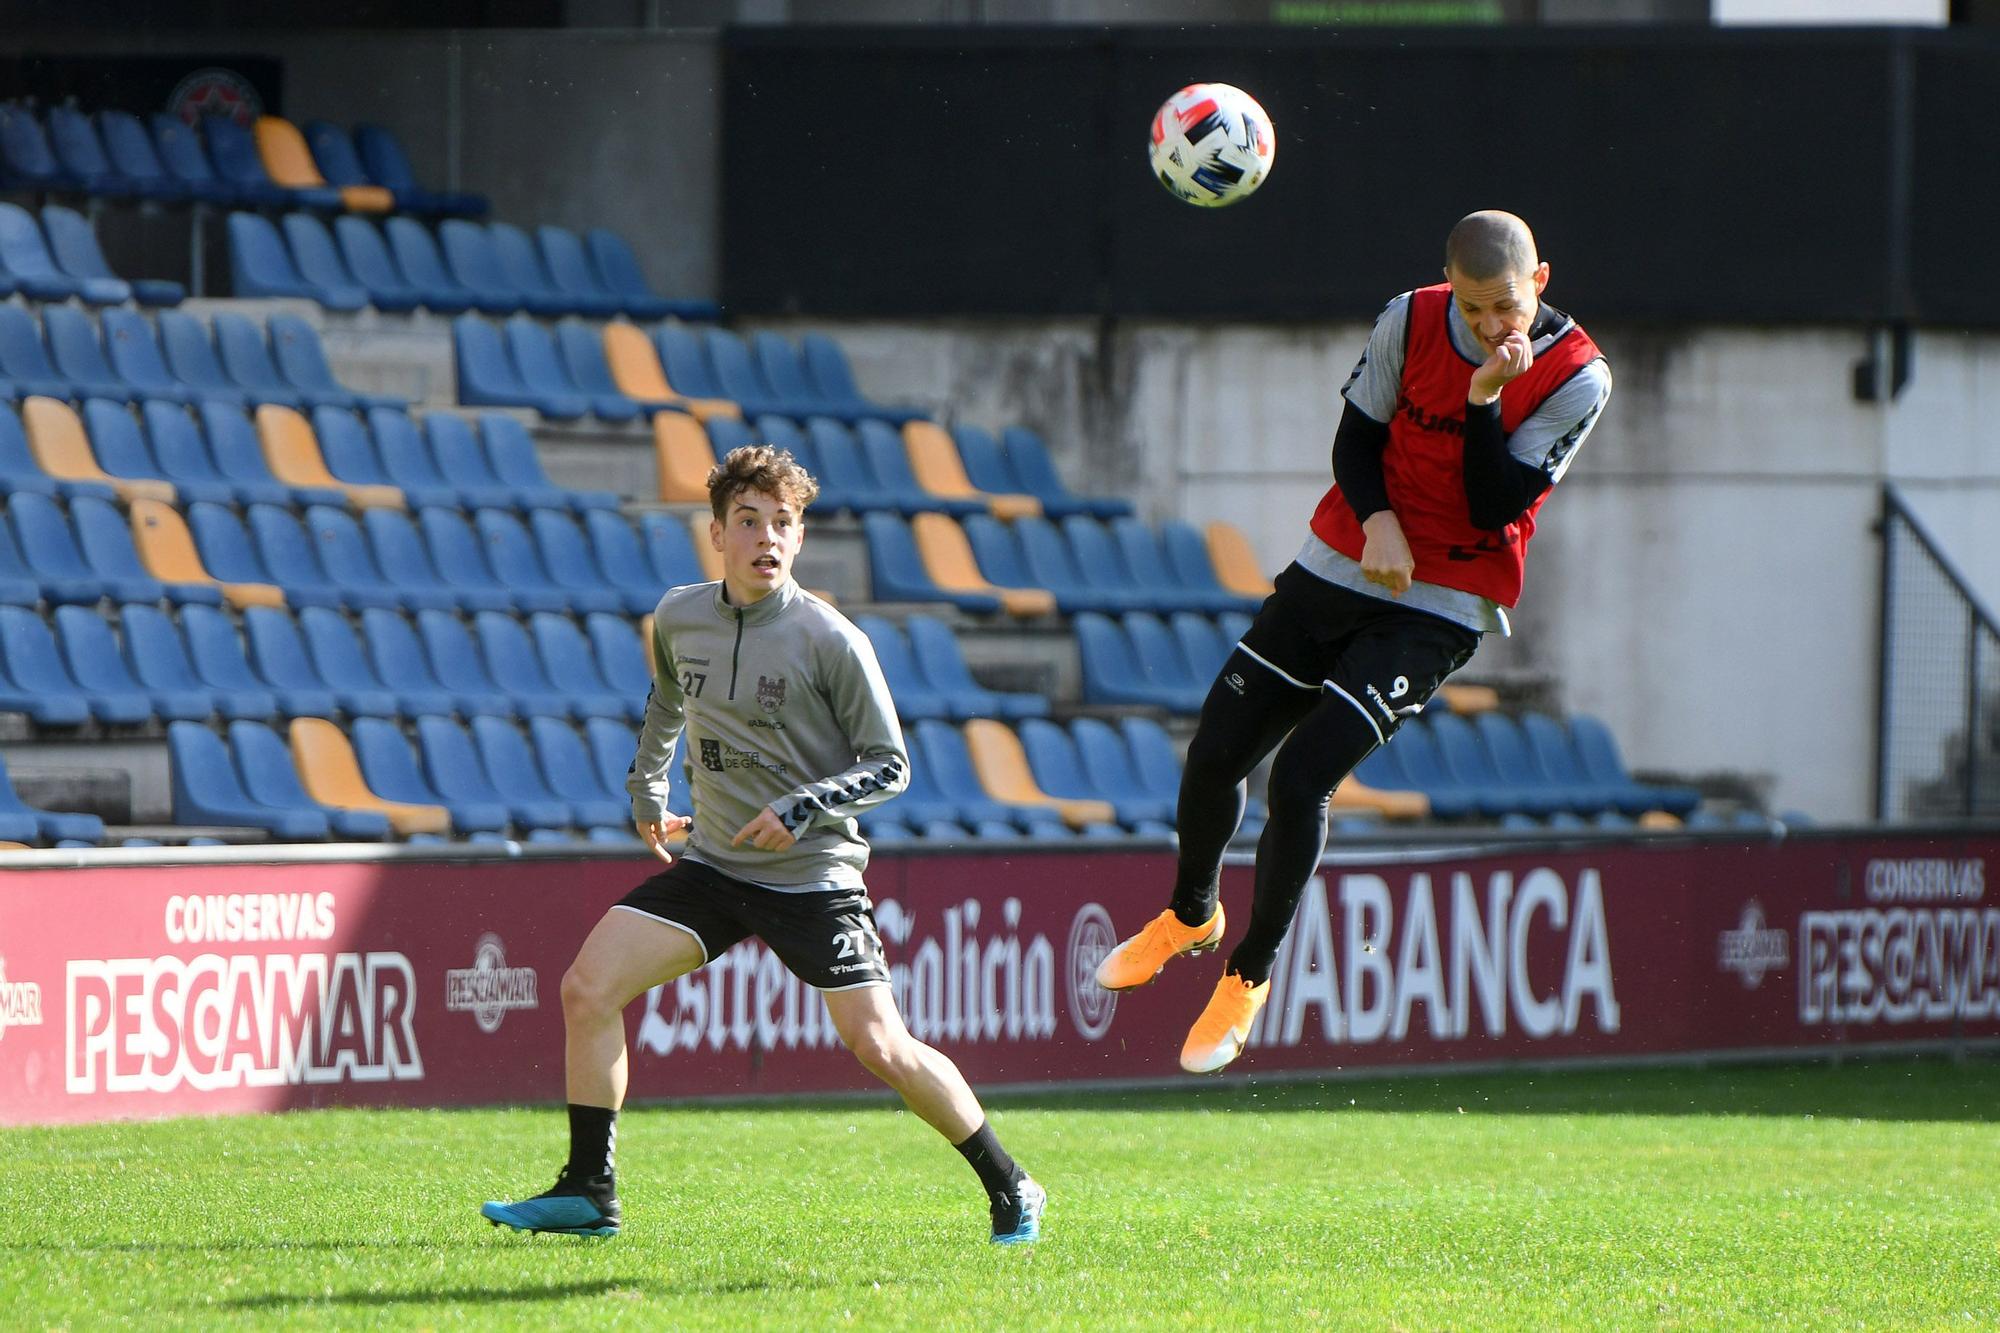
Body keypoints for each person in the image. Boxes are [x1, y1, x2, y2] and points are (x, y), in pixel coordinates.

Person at [482, 444, 1045, 1244]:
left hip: (812, 876)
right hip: (713, 862)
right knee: (587, 987)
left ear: (801, 537)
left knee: (878, 1043)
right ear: (717, 533)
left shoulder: (832, 639)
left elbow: (891, 764)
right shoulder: (679, 615)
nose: (767, 537)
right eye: (749, 521)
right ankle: (589, 1189)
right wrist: (649, 790)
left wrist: (803, 806)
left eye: (784, 522)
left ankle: (1011, 1183)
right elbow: (667, 703)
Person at [1096, 210, 1613, 1074]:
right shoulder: (1407, 318)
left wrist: (1484, 396)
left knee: (1300, 780)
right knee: (1215, 751)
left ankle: (1247, 975)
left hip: (1444, 601)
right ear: (1451, 284)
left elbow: (1495, 504)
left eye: (1510, 306)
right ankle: (1191, 914)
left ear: (1542, 282)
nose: (1494, 325)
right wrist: (1377, 523)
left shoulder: (1579, 377)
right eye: (1477, 306)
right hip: (1344, 557)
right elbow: (1356, 440)